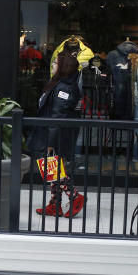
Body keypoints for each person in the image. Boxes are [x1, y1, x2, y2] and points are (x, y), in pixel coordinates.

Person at [29, 53, 86, 218]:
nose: (52, 65)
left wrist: (50, 143)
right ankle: (55, 204)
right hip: (51, 132)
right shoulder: (60, 83)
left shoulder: (64, 87)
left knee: (52, 167)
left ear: (64, 67)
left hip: (54, 134)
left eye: (55, 63)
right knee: (51, 168)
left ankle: (75, 196)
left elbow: (57, 116)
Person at [106, 39, 138, 120]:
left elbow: (108, 72)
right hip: (134, 90)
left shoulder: (112, 55)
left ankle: (115, 124)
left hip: (115, 89)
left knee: (116, 110)